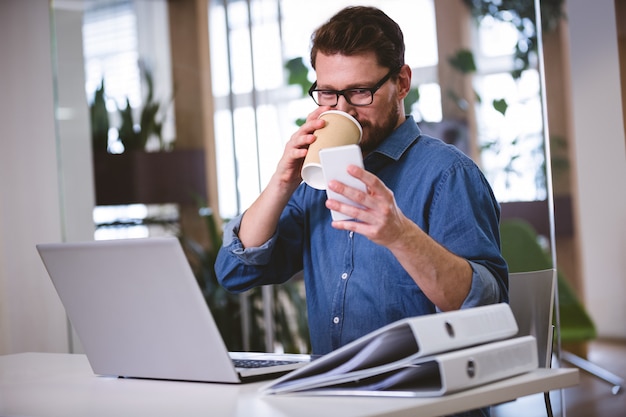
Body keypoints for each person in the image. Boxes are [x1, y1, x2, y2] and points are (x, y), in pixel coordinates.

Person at [216, 9, 507, 415]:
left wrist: (398, 234)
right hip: (332, 401)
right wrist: (282, 182)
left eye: (360, 92)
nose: (344, 110)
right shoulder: (316, 181)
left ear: (401, 82)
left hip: (426, 406)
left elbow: (486, 307)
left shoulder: (448, 175)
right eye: (329, 94)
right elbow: (235, 272)